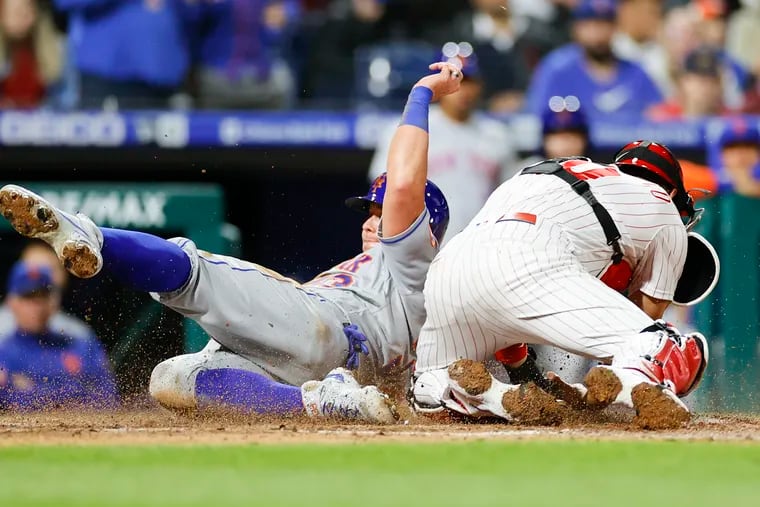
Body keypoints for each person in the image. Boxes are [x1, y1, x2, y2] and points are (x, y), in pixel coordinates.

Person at [0, 63, 458, 423]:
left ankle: (91, 235)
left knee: (195, 271)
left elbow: (402, 186)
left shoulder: (414, 261)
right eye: (370, 213)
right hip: (328, 362)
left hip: (324, 321)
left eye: (385, 216)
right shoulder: (426, 300)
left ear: (426, 232)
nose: (374, 222)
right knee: (173, 378)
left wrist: (421, 95)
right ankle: (322, 403)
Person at [410, 140, 710, 429]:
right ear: (671, 190)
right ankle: (628, 382)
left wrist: (523, 372)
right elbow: (646, 319)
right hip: (531, 257)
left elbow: (500, 289)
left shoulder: (553, 169)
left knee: (427, 387)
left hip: (450, 267)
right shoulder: (662, 205)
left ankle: (490, 397)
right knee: (662, 344)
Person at [370, 43, 515, 240]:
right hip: (421, 247)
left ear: (480, 85)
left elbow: (510, 199)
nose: (461, 88)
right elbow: (382, 192)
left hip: (481, 248)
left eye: (468, 80)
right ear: (436, 80)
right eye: (452, 77)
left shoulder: (497, 134)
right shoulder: (408, 129)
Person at [0, 261, 118, 410]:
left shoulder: (80, 345)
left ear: (53, 301)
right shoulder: (3, 352)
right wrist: (74, 391)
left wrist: (29, 388)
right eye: (28, 297)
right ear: (11, 302)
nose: (37, 306)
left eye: (43, 296)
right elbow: (7, 401)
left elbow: (108, 394)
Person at [526, 0, 662, 118]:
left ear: (616, 28)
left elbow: (660, 115)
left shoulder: (635, 72)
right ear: (576, 29)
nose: (598, 34)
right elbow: (536, 117)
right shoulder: (556, 69)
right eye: (590, 25)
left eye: (605, 24)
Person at [0, 241, 99, 341]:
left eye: (50, 269)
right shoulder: (3, 332)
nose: (39, 277)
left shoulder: (76, 335)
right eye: (29, 296)